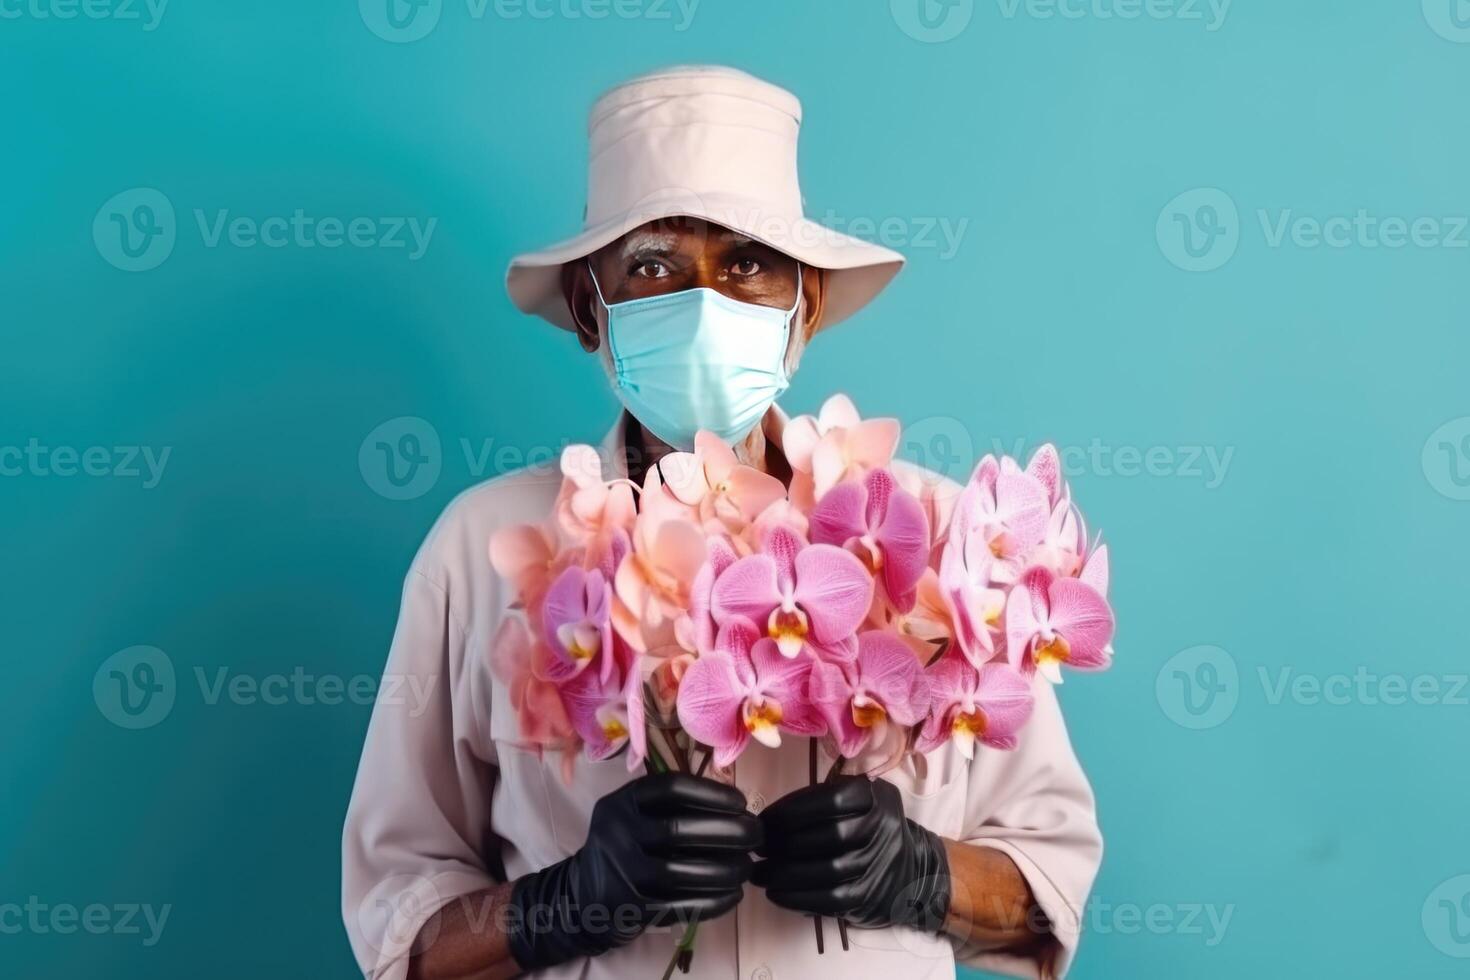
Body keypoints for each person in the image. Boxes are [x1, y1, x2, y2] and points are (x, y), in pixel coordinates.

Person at [342, 65, 1102, 980]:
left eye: (747, 264)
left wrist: (921, 875)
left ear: (803, 307)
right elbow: (398, 930)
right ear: (591, 308)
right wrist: (562, 905)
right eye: (654, 266)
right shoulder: (482, 553)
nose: (704, 303)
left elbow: (1045, 896)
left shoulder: (942, 535)